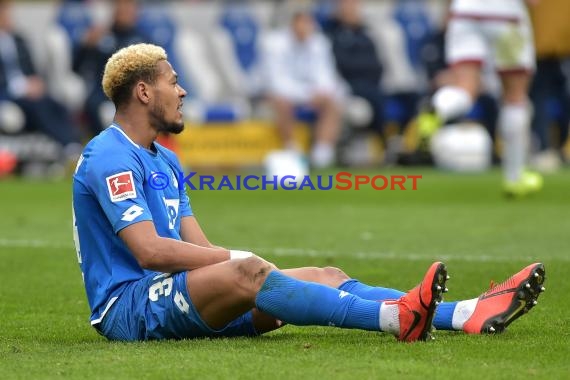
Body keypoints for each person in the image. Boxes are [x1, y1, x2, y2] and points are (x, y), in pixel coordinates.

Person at [72, 43, 546, 342]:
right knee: (252, 273)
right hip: (130, 307)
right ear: (142, 92)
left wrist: (240, 264)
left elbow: (199, 247)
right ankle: (399, 320)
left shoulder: (165, 158)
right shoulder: (110, 155)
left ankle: (463, 313)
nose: (183, 91)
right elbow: (150, 250)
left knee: (325, 274)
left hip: (173, 293)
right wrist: (243, 264)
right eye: (173, 82)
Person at [417, 0, 543, 197]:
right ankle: (515, 178)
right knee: (515, 96)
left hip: (465, 12)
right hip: (506, 15)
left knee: (466, 89)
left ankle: (438, 107)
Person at [261, 7, 343, 168]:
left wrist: (320, 93)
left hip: (309, 94)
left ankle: (321, 156)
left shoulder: (319, 43)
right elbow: (276, 81)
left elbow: (326, 74)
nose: (305, 28)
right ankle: (293, 152)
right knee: (280, 101)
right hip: (281, 95)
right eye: (301, 23)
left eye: (308, 23)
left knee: (333, 103)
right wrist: (307, 95)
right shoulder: (273, 44)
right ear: (292, 24)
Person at [0, 0, 81, 159]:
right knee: (39, 107)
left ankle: (75, 144)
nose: (7, 16)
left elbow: (31, 69)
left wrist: (35, 82)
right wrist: (21, 87)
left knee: (57, 105)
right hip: (8, 95)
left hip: (28, 92)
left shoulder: (19, 40)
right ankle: (68, 147)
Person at [73, 0, 150, 137]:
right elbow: (76, 68)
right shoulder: (100, 36)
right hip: (103, 91)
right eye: (120, 6)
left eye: (129, 7)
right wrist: (85, 46)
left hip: (133, 91)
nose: (124, 11)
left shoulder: (143, 39)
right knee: (92, 105)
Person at [324, 0, 384, 134]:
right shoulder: (332, 33)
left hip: (369, 84)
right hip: (346, 85)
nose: (351, 10)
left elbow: (376, 64)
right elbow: (340, 64)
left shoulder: (365, 34)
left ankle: (384, 140)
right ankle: (381, 137)